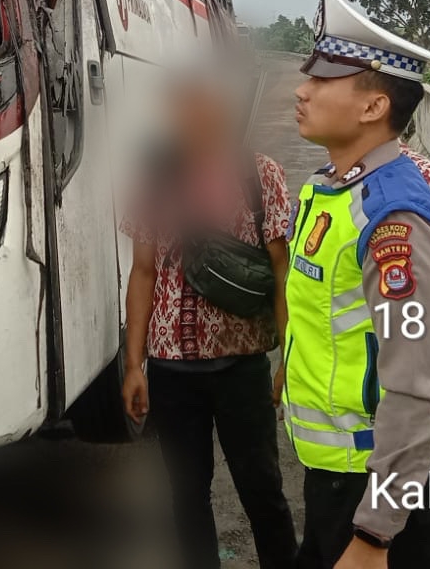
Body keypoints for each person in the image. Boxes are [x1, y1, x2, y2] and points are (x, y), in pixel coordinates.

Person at [281, 0, 430, 569]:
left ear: (372, 107)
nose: (301, 90)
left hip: (378, 492)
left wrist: (375, 536)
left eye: (324, 81)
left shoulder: (395, 220)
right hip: (338, 477)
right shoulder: (332, 189)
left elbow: (415, 387)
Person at [120, 75, 298, 569]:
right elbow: (143, 272)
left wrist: (288, 358)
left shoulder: (261, 176)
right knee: (186, 496)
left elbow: (281, 272)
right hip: (172, 369)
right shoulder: (153, 180)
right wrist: (134, 365)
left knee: (263, 491)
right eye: (181, 107)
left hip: (242, 366)